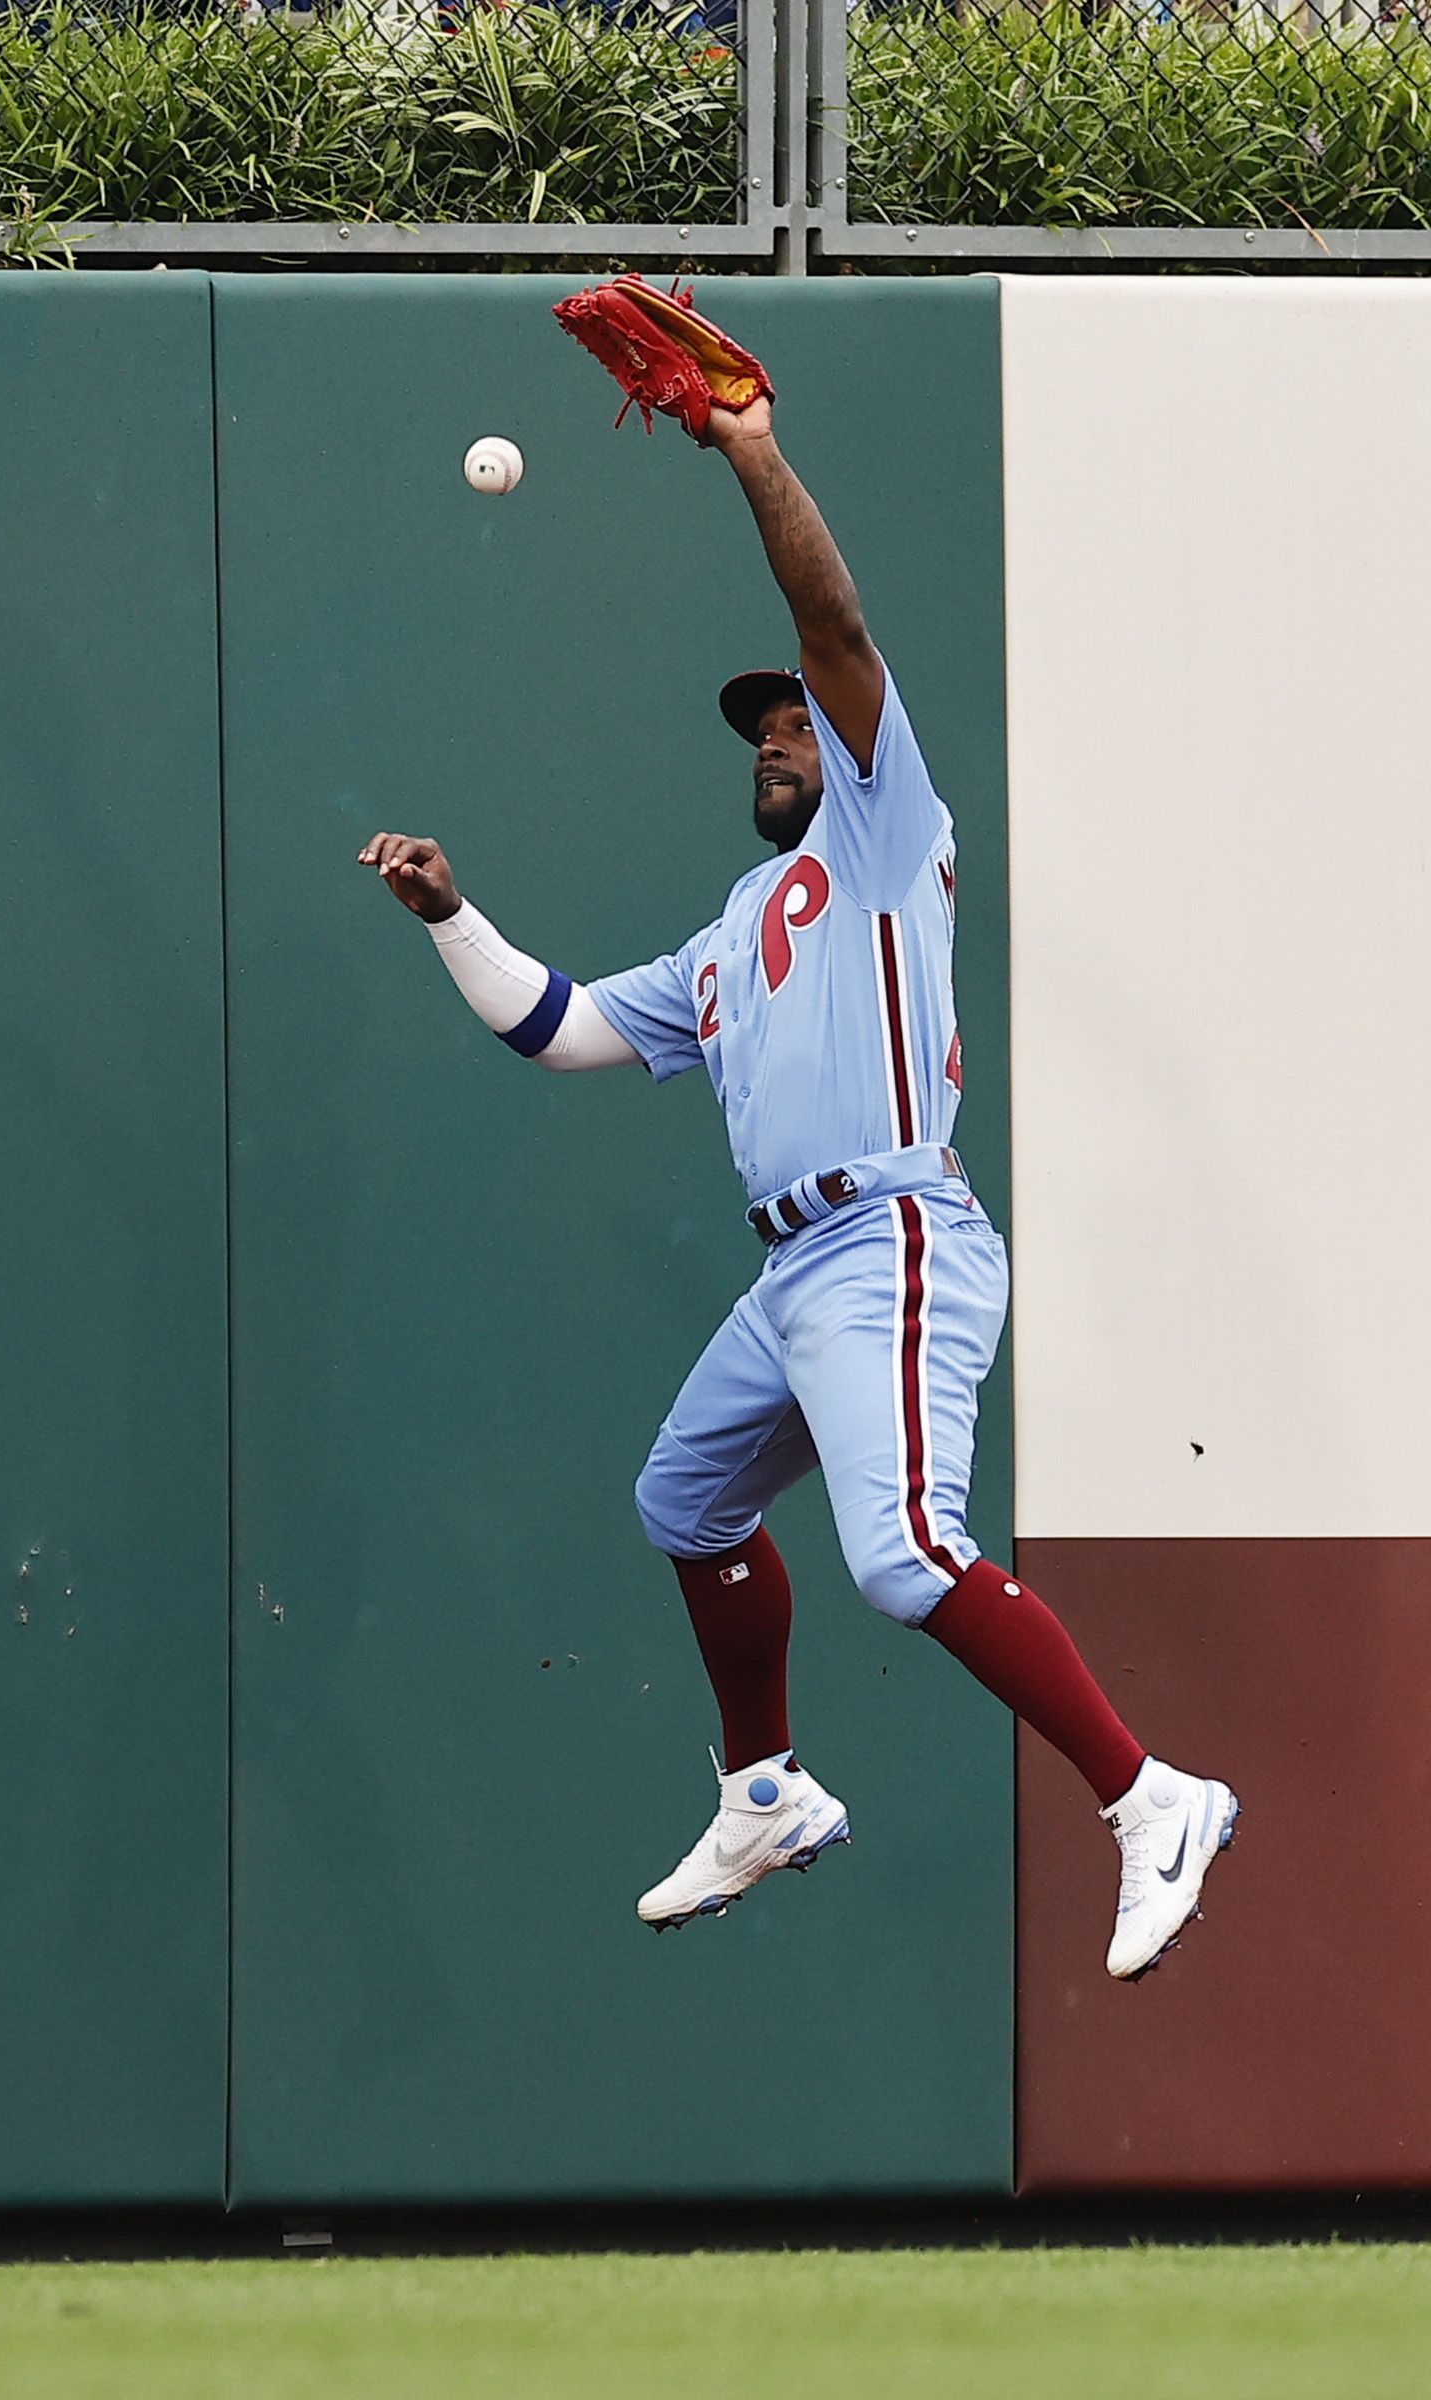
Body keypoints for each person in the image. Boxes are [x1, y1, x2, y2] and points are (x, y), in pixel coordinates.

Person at [359, 386, 1237, 1982]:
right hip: (796, 1276)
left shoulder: (892, 834)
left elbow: (827, 619)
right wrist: (450, 915)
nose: (777, 735)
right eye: (758, 729)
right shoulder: (731, 932)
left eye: (796, 722)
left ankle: (1149, 1796)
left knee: (902, 1553)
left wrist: (752, 452)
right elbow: (554, 1030)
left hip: (897, 1231)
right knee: (683, 1501)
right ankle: (762, 1792)